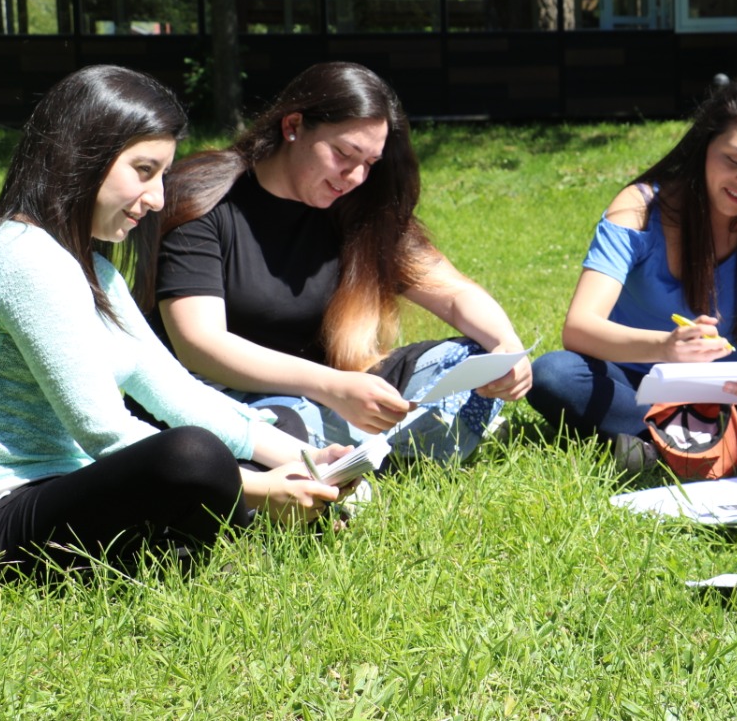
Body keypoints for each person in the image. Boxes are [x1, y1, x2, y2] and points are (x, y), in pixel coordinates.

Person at [0, 65, 353, 581]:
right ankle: (242, 518)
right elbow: (104, 431)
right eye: (144, 170)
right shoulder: (24, 259)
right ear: (81, 156)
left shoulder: (92, 269)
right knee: (192, 455)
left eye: (163, 175)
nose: (158, 199)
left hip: (76, 489)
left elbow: (175, 392)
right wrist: (263, 488)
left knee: (257, 435)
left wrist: (306, 460)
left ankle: (225, 525)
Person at [138, 62, 530, 464]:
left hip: (334, 395)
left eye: (370, 163)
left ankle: (340, 455)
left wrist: (506, 346)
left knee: (467, 361)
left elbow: (453, 295)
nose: (356, 176)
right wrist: (333, 386)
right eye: (344, 154)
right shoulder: (205, 202)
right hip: (224, 397)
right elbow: (200, 345)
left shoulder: (358, 208)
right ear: (292, 126)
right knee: (281, 426)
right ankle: (338, 454)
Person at [527, 80, 737, 469]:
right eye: (734, 161)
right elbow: (580, 327)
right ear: (704, 145)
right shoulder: (640, 208)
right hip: (640, 389)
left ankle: (659, 447)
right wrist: (666, 348)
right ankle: (716, 448)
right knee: (553, 373)